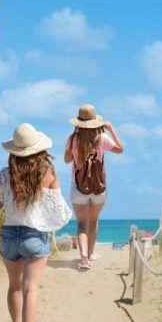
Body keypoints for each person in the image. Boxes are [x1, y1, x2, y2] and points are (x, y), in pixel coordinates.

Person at [0, 123, 61, 322]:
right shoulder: (47, 172)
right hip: (33, 236)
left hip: (9, 234)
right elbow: (58, 211)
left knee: (15, 286)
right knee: (32, 289)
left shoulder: (3, 174)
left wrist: (2, 195)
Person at [64, 103, 124, 270]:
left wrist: (75, 152)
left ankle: (83, 256)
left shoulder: (72, 139)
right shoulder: (102, 138)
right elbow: (120, 149)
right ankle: (90, 253)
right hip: (99, 187)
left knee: (82, 222)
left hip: (78, 186)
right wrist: (111, 129)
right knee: (93, 220)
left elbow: (67, 160)